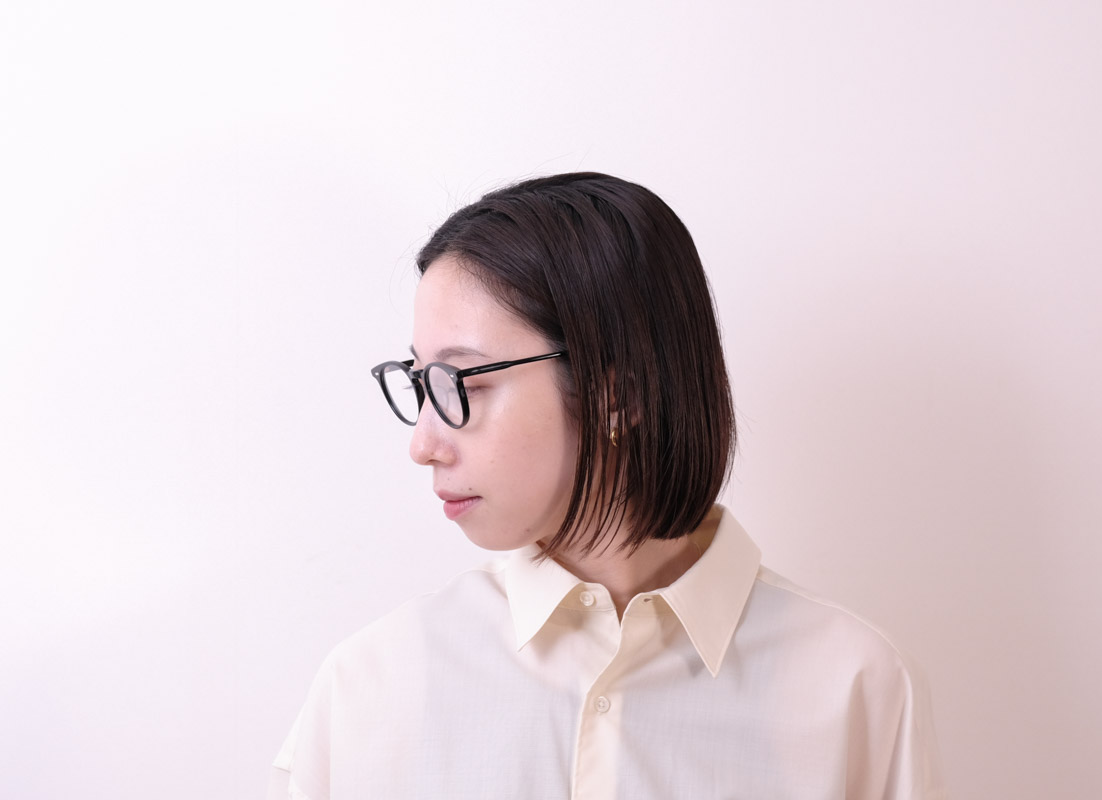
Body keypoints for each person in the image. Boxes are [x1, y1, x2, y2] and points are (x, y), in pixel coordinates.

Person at [268, 172, 946, 799]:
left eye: (459, 381)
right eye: (420, 383)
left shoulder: (853, 691)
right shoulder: (370, 691)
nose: (423, 445)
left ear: (617, 393)